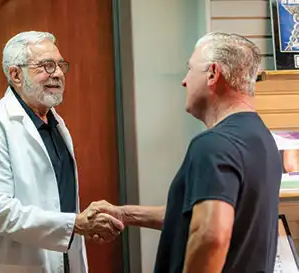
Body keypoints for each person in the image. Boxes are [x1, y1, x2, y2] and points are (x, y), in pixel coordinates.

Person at [88, 32, 282, 273]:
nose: (184, 81)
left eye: (190, 69)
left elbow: (211, 234)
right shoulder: (260, 138)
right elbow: (197, 214)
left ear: (212, 73)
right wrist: (125, 214)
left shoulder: (213, 144)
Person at [0, 31, 123, 273]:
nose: (58, 73)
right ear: (15, 75)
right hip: (15, 265)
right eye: (46, 66)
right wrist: (75, 224)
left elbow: (56, 199)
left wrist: (80, 226)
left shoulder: (56, 123)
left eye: (60, 65)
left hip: (63, 260)